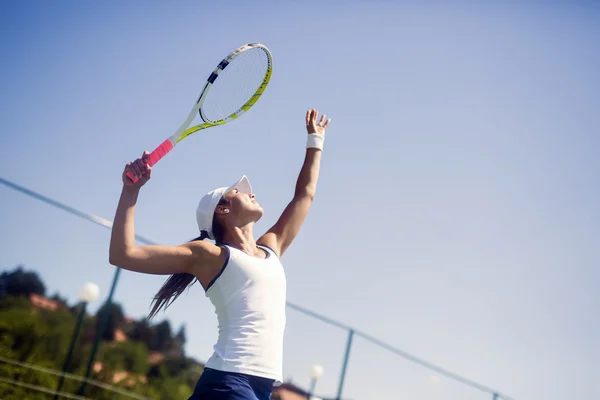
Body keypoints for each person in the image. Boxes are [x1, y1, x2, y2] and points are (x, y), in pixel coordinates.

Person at [109, 108, 331, 400]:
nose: (251, 192)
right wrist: (130, 192)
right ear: (222, 210)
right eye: (239, 191)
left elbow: (304, 195)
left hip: (260, 387)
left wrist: (315, 141)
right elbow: (124, 254)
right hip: (229, 383)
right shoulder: (209, 255)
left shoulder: (272, 246)